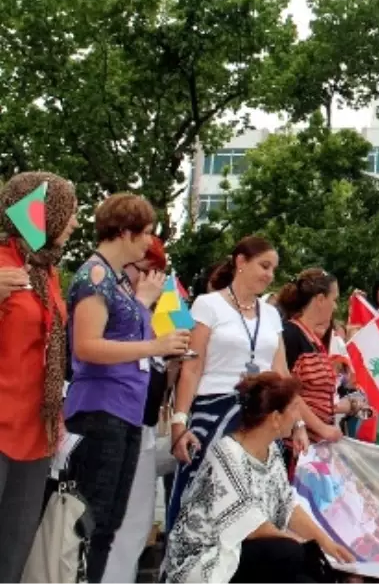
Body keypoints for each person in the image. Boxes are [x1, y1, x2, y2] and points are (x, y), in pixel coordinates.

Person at [66, 194, 190, 584]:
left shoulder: (118, 282)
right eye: (146, 233)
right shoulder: (95, 276)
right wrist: (154, 346)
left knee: (108, 524)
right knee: (91, 520)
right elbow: (86, 346)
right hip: (100, 410)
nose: (148, 243)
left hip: (126, 412)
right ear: (124, 231)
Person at [167, 236, 305, 531]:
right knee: (205, 502)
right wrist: (179, 421)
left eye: (274, 269)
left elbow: (281, 370)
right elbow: (192, 367)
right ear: (240, 262)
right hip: (214, 414)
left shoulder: (271, 314)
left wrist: (299, 423)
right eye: (264, 265)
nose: (270, 275)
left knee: (255, 504)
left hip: (260, 417)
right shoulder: (208, 305)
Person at [163, 373, 354, 584]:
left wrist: (326, 543)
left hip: (241, 551)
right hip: (207, 557)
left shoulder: (270, 450)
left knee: (309, 577)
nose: (298, 418)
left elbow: (288, 506)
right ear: (275, 418)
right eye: (293, 409)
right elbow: (252, 527)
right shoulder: (227, 453)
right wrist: (308, 546)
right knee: (290, 553)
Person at [0, 173, 79, 584]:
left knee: (13, 550)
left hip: (36, 430)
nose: (75, 222)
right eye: (69, 211)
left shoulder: (46, 272)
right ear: (42, 213)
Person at [278, 269, 356, 475]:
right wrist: (320, 427)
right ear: (320, 299)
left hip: (312, 448)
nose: (335, 306)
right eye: (334, 299)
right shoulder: (290, 334)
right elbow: (286, 388)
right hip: (293, 445)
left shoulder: (313, 340)